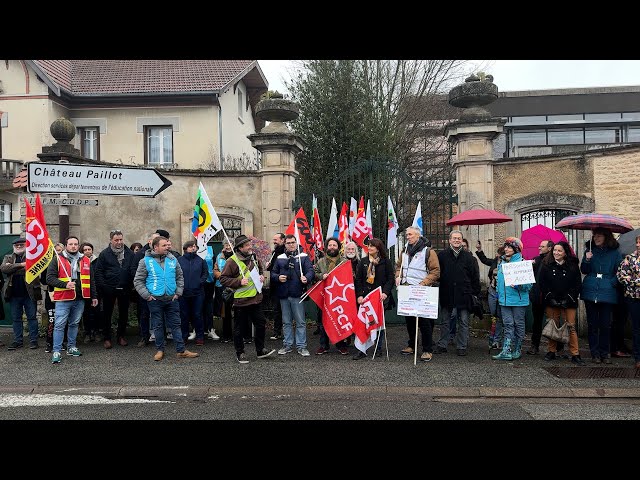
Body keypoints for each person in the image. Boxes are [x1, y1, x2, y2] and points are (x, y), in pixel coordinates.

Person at [133, 235, 199, 361]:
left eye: (167, 244)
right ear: (155, 247)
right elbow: (138, 281)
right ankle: (160, 350)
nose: (167, 247)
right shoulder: (145, 261)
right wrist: (147, 296)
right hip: (155, 300)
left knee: (176, 325)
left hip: (171, 298)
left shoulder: (173, 259)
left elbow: (180, 277)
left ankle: (181, 350)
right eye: (164, 245)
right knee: (157, 325)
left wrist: (178, 292)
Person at [219, 234, 276, 363]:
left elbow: (260, 270)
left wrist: (261, 276)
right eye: (247, 245)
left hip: (256, 299)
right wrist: (239, 282)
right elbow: (223, 279)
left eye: (249, 245)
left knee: (261, 324)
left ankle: (260, 350)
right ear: (239, 248)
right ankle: (240, 352)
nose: (250, 247)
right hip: (241, 301)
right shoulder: (232, 261)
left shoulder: (254, 258)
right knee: (240, 328)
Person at [46, 236, 98, 364]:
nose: (73, 246)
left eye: (76, 244)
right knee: (59, 325)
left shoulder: (85, 260)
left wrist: (94, 296)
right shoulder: (57, 259)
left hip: (80, 298)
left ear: (78, 245)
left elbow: (91, 280)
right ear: (66, 245)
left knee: (74, 324)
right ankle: (57, 350)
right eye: (71, 244)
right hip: (63, 298)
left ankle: (71, 347)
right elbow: (49, 278)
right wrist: (65, 285)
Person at [396, 226, 441, 362]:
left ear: (418, 235)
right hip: (407, 289)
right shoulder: (404, 251)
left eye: (410, 234)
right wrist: (398, 276)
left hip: (422, 290)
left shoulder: (428, 251)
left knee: (424, 321)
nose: (408, 237)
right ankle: (412, 345)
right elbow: (399, 267)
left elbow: (435, 271)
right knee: (409, 320)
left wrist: (424, 283)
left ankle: (427, 349)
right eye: (407, 235)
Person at [538, 241, 585, 365]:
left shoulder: (573, 266)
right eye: (554, 250)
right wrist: (550, 298)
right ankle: (551, 351)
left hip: (569, 301)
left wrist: (568, 298)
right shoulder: (546, 264)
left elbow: (577, 285)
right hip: (552, 300)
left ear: (565, 253)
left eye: (559, 251)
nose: (556, 253)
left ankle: (575, 354)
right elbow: (542, 283)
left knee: (571, 327)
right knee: (553, 325)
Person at [581, 227, 623, 364]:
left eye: (599, 236)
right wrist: (587, 260)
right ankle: (595, 354)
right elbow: (584, 270)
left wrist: (611, 282)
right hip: (590, 290)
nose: (596, 238)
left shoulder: (615, 253)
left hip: (607, 291)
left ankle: (605, 353)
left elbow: (620, 272)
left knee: (605, 324)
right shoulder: (589, 251)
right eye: (595, 236)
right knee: (593, 325)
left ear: (606, 237)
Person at [434, 230, 479, 357]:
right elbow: (437, 273)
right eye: (454, 238)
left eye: (459, 238)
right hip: (446, 293)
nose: (456, 240)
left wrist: (474, 293)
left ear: (462, 240)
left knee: (464, 322)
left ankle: (462, 346)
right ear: (449, 240)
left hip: (464, 294)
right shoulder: (441, 255)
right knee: (445, 321)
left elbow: (474, 276)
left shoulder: (469, 257)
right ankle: (443, 344)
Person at [271, 234, 314, 356]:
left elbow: (310, 270)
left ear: (296, 243)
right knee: (286, 322)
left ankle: (301, 346)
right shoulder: (280, 257)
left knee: (300, 322)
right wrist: (278, 277)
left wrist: (307, 277)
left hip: (297, 293)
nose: (291, 245)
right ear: (285, 244)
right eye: (288, 243)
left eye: (292, 242)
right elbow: (273, 273)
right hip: (284, 294)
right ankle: (287, 345)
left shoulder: (304, 257)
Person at [492, 237, 532, 361]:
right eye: (506, 247)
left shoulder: (522, 263)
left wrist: (520, 285)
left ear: (516, 249)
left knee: (518, 324)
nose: (506, 249)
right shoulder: (502, 262)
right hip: (504, 300)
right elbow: (499, 282)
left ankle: (517, 348)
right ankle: (506, 350)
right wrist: (498, 293)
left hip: (518, 300)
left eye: (509, 247)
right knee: (508, 324)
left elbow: (529, 285)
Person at [354, 237, 394, 360]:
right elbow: (359, 279)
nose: (369, 248)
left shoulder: (386, 261)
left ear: (378, 248)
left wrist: (385, 293)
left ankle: (378, 348)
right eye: (369, 246)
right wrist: (360, 295)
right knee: (364, 322)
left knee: (378, 323)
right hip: (366, 297)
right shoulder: (363, 261)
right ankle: (362, 349)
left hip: (380, 297)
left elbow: (390, 279)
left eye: (372, 246)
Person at [95, 229, 135, 349]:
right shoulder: (104, 254)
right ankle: (107, 338)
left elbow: (133, 270)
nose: (119, 242)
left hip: (125, 288)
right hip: (109, 289)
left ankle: (121, 336)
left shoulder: (129, 253)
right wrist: (104, 286)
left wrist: (131, 284)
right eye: (116, 240)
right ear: (111, 240)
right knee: (107, 314)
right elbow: (98, 272)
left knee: (124, 314)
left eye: (121, 239)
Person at [1, 237, 42, 350]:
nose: (19, 247)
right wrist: (21, 265)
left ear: (26, 245)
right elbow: (4, 269)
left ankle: (34, 341)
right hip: (13, 294)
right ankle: (17, 341)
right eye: (16, 245)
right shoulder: (8, 257)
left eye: (21, 245)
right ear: (14, 247)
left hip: (29, 294)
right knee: (16, 319)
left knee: (32, 318)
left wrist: (13, 267)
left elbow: (33, 268)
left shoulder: (32, 257)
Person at [131, 232, 159, 346]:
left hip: (158, 289)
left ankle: (159, 336)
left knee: (158, 313)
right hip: (144, 289)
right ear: (149, 241)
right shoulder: (141, 254)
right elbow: (133, 269)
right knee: (144, 314)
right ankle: (144, 336)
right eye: (155, 239)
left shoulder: (162, 253)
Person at [526, 240, 554, 355]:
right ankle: (534, 345)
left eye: (542, 246)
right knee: (536, 322)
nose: (539, 248)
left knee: (553, 322)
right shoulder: (536, 259)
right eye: (539, 246)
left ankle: (555, 347)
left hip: (550, 296)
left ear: (549, 248)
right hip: (537, 296)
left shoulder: (554, 261)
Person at [616, 234, 640, 369]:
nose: (637, 244)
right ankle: (638, 357)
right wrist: (637, 282)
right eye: (637, 242)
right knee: (637, 329)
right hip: (634, 298)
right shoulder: (629, 259)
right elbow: (622, 277)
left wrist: (634, 281)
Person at [177, 240, 208, 345]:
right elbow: (176, 274)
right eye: (191, 246)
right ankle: (184, 336)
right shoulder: (179, 260)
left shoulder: (201, 260)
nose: (193, 248)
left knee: (197, 315)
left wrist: (200, 282)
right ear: (185, 248)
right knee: (184, 315)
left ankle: (200, 337)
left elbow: (205, 274)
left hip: (198, 293)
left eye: (194, 246)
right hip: (183, 293)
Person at [476, 242, 504, 349]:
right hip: (492, 292)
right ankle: (494, 337)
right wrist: (479, 250)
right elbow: (484, 260)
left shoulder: (509, 263)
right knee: (494, 315)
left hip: (502, 293)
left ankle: (498, 339)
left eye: (500, 254)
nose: (498, 255)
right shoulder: (495, 262)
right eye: (498, 253)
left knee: (501, 316)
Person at [44, 242, 65, 352]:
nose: (58, 253)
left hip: (63, 296)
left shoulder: (67, 263)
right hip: (51, 296)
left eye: (60, 250)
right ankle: (49, 342)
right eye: (55, 251)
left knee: (62, 321)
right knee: (52, 320)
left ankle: (61, 343)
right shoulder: (48, 264)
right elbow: (44, 280)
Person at [213, 240, 235, 343]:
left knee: (236, 312)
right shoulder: (219, 256)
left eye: (230, 244)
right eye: (226, 244)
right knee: (225, 313)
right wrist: (222, 277)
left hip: (234, 287)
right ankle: (227, 335)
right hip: (222, 287)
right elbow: (215, 270)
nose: (228, 246)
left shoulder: (236, 256)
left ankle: (238, 334)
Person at [80, 242, 101, 343]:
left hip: (96, 291)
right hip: (84, 292)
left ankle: (96, 332)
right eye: (85, 250)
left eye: (89, 249)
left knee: (96, 312)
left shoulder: (97, 261)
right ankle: (87, 333)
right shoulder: (80, 261)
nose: (87, 251)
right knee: (86, 313)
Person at [265, 233, 286, 340]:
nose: (274, 241)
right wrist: (269, 266)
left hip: (283, 285)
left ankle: (282, 331)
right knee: (277, 309)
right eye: (273, 239)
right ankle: (277, 331)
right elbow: (273, 269)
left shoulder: (284, 252)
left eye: (276, 239)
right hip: (275, 285)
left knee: (283, 310)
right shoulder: (274, 252)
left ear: (283, 240)